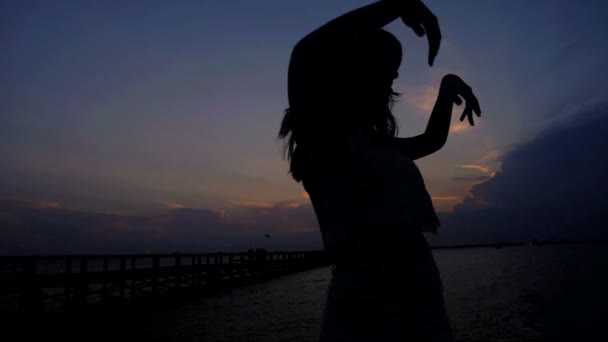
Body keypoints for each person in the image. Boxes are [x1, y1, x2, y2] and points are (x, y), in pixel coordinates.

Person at [278, 1, 481, 341]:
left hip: (422, 295)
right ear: (355, 71)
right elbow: (305, 54)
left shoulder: (376, 145)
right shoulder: (322, 139)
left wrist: (445, 90)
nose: (395, 77)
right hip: (365, 305)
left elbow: (430, 141)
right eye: (387, 67)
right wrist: (400, 3)